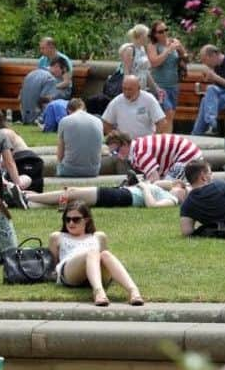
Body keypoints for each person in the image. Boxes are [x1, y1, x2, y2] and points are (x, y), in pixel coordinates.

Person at [49, 201, 144, 306]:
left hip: (96, 271)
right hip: (70, 271)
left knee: (105, 254)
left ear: (86, 220)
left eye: (76, 220)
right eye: (67, 219)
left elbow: (105, 262)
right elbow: (53, 265)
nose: (71, 223)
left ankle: (133, 291)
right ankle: (98, 292)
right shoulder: (58, 237)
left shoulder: (98, 236)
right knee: (92, 253)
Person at [106, 130, 202, 182]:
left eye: (117, 151)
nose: (117, 156)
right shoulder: (137, 147)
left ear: (125, 144)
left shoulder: (140, 153)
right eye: (113, 153)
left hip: (188, 155)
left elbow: (154, 178)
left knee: (167, 186)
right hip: (185, 154)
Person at [147, 20, 189, 133]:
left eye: (166, 30)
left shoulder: (174, 42)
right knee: (167, 113)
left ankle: (167, 140)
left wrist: (181, 51)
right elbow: (154, 62)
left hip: (173, 85)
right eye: (161, 31)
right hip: (160, 86)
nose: (164, 33)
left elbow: (186, 59)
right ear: (155, 34)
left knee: (171, 115)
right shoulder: (153, 46)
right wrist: (168, 50)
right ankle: (160, 139)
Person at [27, 180, 187, 209]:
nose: (181, 187)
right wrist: (177, 184)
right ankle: (30, 203)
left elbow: (152, 206)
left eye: (184, 190)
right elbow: (163, 183)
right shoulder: (168, 190)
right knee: (69, 196)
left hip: (123, 197)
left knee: (71, 193)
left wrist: (145, 187)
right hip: (121, 193)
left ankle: (27, 197)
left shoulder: (172, 200)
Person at [0, 109, 44, 192]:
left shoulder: (4, 133)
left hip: (24, 160)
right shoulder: (7, 131)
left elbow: (7, 159)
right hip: (27, 160)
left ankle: (14, 188)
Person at [102, 74, 167, 138]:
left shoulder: (149, 99)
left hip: (144, 142)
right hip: (125, 144)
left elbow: (162, 122)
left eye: (130, 89)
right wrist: (116, 138)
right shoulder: (117, 101)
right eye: (124, 89)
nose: (127, 92)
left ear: (138, 88)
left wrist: (153, 139)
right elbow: (106, 123)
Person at [57, 98, 104, 177]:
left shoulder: (64, 121)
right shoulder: (98, 121)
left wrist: (59, 164)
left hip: (69, 169)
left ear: (69, 110)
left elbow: (60, 152)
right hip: (93, 171)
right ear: (84, 108)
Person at [20, 57, 71, 124]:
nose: (61, 76)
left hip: (24, 116)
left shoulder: (31, 73)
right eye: (63, 72)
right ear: (57, 66)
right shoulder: (50, 79)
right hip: (35, 118)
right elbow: (45, 101)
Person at [121, 24, 163, 95]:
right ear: (140, 36)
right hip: (133, 88)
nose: (148, 38)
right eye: (147, 35)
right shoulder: (130, 50)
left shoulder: (142, 49)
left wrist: (156, 89)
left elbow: (146, 71)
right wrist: (128, 90)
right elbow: (126, 72)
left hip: (142, 87)